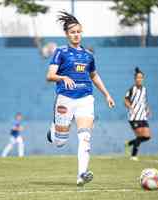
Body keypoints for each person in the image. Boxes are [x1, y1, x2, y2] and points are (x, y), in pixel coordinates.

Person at [46, 11, 115, 186]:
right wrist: (63, 78)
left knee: (85, 137)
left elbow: (94, 75)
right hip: (65, 98)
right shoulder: (60, 52)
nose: (76, 35)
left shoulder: (88, 55)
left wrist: (107, 94)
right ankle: (53, 130)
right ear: (67, 34)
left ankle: (81, 175)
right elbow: (50, 75)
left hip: (85, 99)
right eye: (72, 32)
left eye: (78, 32)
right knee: (59, 142)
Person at [124, 67, 151, 161]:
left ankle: (129, 143)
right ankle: (133, 155)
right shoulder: (132, 89)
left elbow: (144, 101)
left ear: (143, 79)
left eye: (141, 78)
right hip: (134, 117)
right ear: (135, 79)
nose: (139, 79)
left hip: (143, 116)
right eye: (138, 78)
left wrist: (147, 109)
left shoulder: (144, 89)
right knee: (139, 136)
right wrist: (131, 108)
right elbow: (126, 100)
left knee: (147, 136)